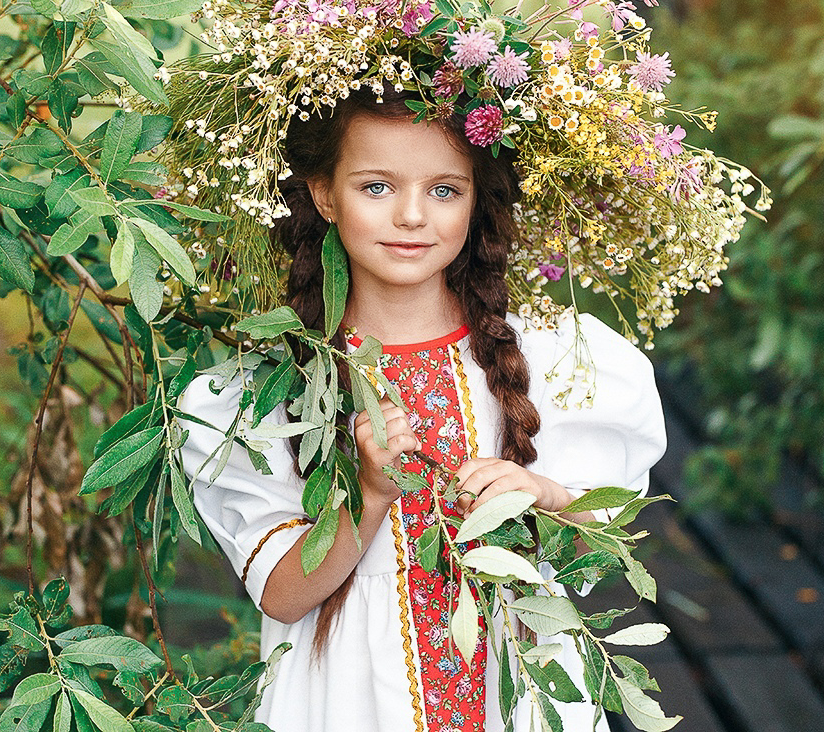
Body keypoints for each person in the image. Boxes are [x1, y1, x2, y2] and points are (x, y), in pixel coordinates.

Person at [178, 86, 667, 732]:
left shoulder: (547, 361)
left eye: (444, 190)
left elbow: (612, 546)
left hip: (514, 689)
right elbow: (282, 594)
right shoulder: (274, 388)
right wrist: (370, 493)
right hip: (351, 696)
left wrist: (542, 491)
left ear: (474, 201)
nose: (412, 215)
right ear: (324, 193)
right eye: (376, 187)